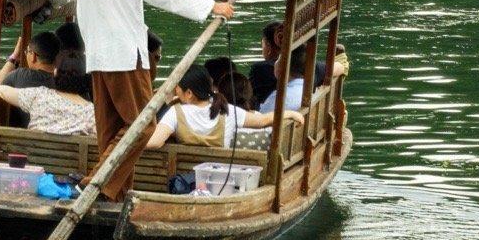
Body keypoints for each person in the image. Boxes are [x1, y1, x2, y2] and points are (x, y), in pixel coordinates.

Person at [75, 0, 234, 199]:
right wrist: (211, 7)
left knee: (110, 133)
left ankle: (116, 195)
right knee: (142, 127)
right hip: (124, 56)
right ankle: (97, 180)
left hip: (97, 56)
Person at [145, 65, 300, 152]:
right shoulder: (227, 110)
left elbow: (154, 142)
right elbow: (262, 121)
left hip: (183, 178)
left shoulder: (175, 113)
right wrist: (291, 113)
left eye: (177, 87)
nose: (175, 90)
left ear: (189, 93)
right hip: (220, 174)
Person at [0, 47, 96, 137]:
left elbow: (2, 90)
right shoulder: (92, 112)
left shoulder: (39, 95)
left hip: (32, 161)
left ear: (55, 73)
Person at [249, 21, 327, 107]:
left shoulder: (260, 69)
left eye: (263, 44)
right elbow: (336, 67)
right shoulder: (310, 68)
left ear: (268, 45)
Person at [259, 44, 347, 114]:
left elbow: (261, 122)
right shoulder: (310, 89)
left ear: (281, 68)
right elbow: (340, 67)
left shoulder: (276, 99)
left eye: (279, 59)